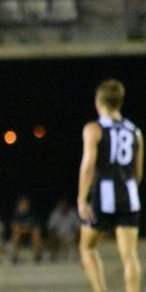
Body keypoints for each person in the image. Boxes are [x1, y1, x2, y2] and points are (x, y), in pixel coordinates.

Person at [78, 79, 143, 292]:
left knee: (87, 246)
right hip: (129, 195)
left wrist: (81, 198)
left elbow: (88, 166)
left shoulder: (93, 129)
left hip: (103, 196)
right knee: (130, 256)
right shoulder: (135, 132)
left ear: (98, 101)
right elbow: (138, 172)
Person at [9, 196, 42, 264]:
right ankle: (14, 256)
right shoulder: (16, 214)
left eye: (24, 204)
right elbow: (15, 227)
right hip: (21, 235)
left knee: (36, 233)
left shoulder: (33, 213)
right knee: (16, 235)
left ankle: (37, 255)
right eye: (21, 205)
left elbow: (37, 227)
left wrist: (27, 230)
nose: (22, 206)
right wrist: (25, 229)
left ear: (28, 205)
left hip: (30, 235)